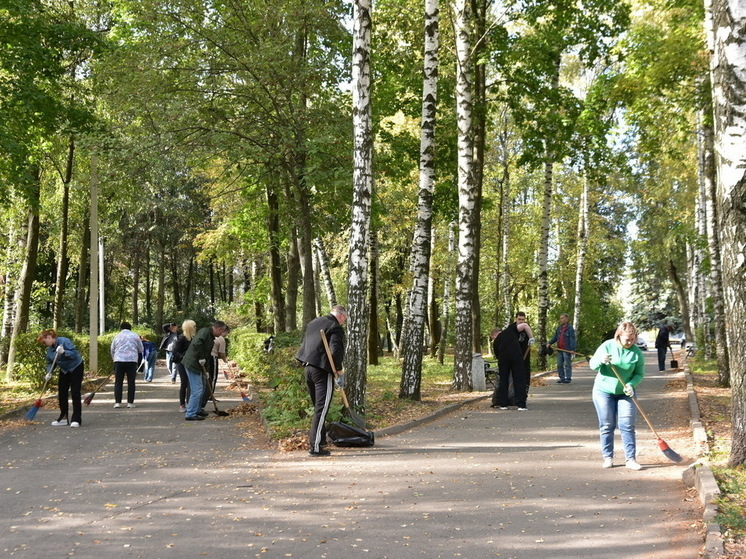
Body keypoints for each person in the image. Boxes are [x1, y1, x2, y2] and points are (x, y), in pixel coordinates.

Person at [588, 321, 645, 470]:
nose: (630, 342)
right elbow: (592, 365)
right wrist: (601, 361)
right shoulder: (607, 346)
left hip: (626, 393)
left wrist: (632, 384)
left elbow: (639, 374)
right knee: (607, 425)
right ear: (619, 336)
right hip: (603, 391)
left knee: (627, 425)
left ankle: (630, 459)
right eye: (627, 339)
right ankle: (608, 457)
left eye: (633, 339)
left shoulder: (636, 353)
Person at [295, 305, 348, 456]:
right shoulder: (335, 326)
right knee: (321, 408)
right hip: (322, 371)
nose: (344, 322)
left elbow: (306, 345)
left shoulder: (314, 322)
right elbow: (335, 351)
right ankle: (315, 447)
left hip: (308, 367)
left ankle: (321, 440)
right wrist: (338, 371)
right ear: (342, 316)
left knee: (318, 407)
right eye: (345, 319)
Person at [182, 320, 228, 421]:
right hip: (192, 364)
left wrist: (206, 370)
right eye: (221, 332)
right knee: (197, 390)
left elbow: (208, 355)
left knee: (202, 388)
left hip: (198, 365)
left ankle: (197, 410)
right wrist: (201, 357)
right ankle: (190, 413)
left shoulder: (211, 337)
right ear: (219, 329)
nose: (221, 335)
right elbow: (197, 344)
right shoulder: (205, 332)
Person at [37, 330, 85, 428]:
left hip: (76, 366)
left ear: (49, 337)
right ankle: (64, 418)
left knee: (75, 392)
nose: (44, 344)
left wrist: (64, 352)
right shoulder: (50, 350)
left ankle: (76, 419)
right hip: (64, 369)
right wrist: (49, 372)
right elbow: (51, 362)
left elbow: (74, 354)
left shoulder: (64, 341)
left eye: (44, 342)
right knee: (62, 392)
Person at [490, 317, 534, 411]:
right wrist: (531, 338)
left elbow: (497, 355)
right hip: (516, 356)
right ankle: (521, 405)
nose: (493, 339)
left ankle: (503, 404)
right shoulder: (511, 330)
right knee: (519, 380)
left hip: (503, 359)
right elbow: (525, 325)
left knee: (503, 380)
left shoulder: (496, 341)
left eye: (492, 337)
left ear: (494, 334)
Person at [111, 322, 144, 408]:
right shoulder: (135, 336)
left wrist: (114, 358)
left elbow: (112, 349)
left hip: (119, 360)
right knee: (131, 382)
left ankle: (117, 402)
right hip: (131, 361)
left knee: (118, 382)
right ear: (130, 328)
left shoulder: (117, 336)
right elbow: (141, 349)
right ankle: (130, 402)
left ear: (121, 328)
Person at [202, 326, 229, 409]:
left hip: (206, 357)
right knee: (213, 377)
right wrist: (225, 360)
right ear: (224, 331)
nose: (226, 335)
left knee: (206, 376)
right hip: (213, 357)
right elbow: (221, 353)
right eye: (227, 333)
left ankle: (207, 394)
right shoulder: (221, 339)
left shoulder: (212, 337)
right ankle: (210, 395)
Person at [173, 320, 196, 413]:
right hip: (182, 363)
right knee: (184, 382)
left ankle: (190, 403)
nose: (195, 328)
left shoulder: (194, 338)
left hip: (191, 363)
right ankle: (182, 404)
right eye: (194, 326)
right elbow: (176, 351)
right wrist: (184, 357)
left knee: (191, 383)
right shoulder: (181, 338)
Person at [547, 313, 577, 384]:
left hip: (567, 349)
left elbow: (572, 339)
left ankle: (568, 378)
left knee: (567, 364)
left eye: (562, 318)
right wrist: (549, 343)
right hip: (560, 349)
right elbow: (555, 337)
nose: (561, 320)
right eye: (560, 318)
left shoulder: (570, 328)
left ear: (567, 319)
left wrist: (572, 349)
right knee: (559, 364)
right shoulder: (559, 328)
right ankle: (562, 378)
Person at [515, 312, 533, 392]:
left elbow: (531, 337)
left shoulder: (527, 328)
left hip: (525, 354)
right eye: (519, 319)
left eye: (523, 319)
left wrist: (531, 340)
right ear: (516, 319)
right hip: (515, 355)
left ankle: (525, 391)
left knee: (526, 372)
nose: (521, 321)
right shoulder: (513, 328)